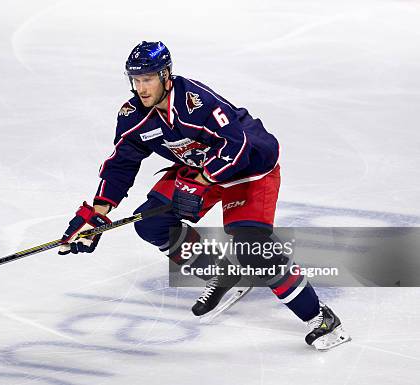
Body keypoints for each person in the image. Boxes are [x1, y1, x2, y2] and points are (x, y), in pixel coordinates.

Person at [58, 41, 350, 350]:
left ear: (166, 75)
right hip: (201, 168)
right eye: (136, 79)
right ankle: (223, 273)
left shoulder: (196, 102)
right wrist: (99, 213)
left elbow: (236, 146)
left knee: (253, 248)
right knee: (151, 224)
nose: (141, 88)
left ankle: (320, 318)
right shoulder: (133, 115)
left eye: (148, 78)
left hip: (249, 168)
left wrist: (198, 182)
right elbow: (121, 164)